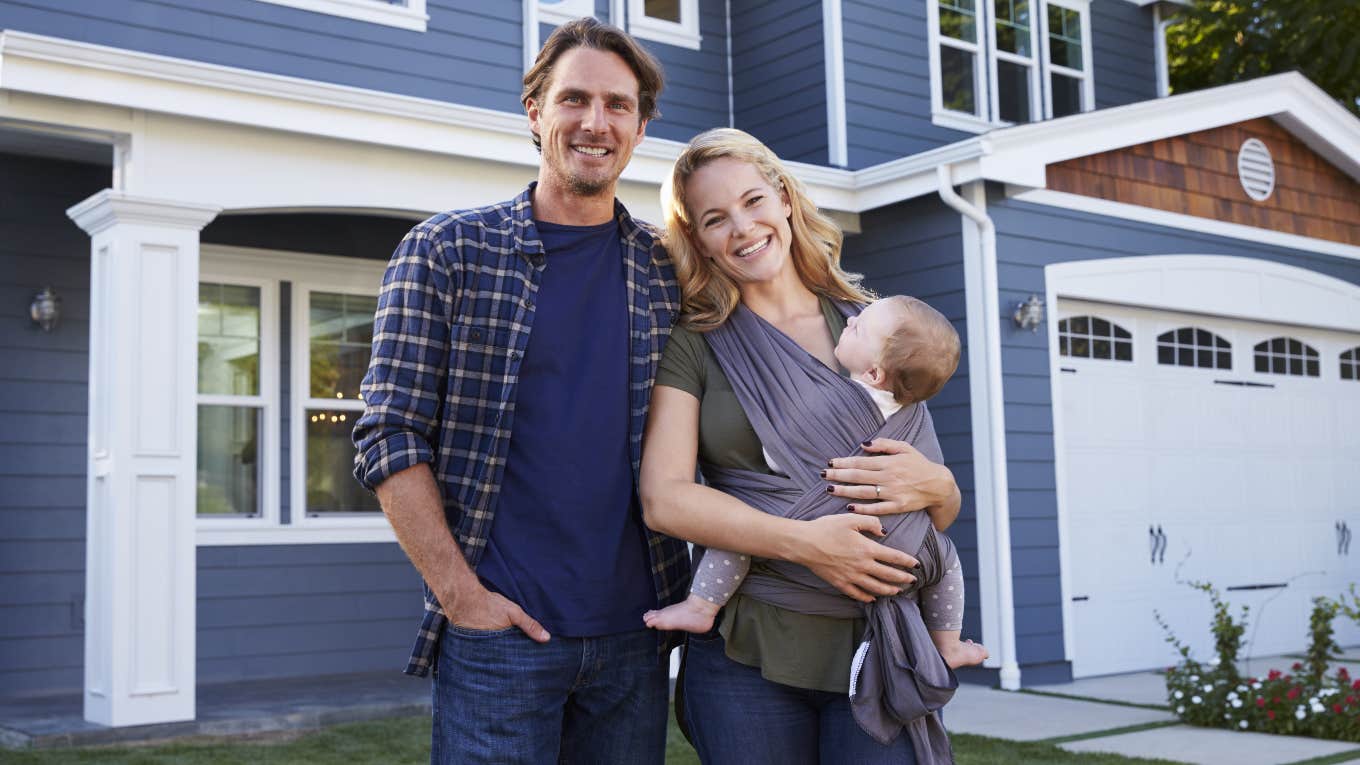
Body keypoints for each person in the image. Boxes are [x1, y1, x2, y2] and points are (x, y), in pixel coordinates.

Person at [351, 19, 690, 764]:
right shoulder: (447, 251)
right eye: (574, 99)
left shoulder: (668, 273)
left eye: (618, 105)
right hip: (499, 636)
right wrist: (460, 595)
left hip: (636, 638)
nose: (595, 123)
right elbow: (388, 432)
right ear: (534, 112)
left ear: (639, 126)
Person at [639, 128, 965, 764]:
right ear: (698, 240)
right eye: (714, 219)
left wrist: (944, 487)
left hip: (876, 645)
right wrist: (808, 544)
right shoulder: (695, 343)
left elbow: (928, 511)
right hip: (749, 649)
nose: (742, 228)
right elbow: (664, 500)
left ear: (785, 198)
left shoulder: (873, 327)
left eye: (754, 200)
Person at [643, 294, 988, 671]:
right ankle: (949, 644)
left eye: (859, 327)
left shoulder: (829, 400)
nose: (851, 321)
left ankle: (701, 605)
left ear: (873, 373)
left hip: (818, 524)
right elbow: (933, 498)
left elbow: (779, 452)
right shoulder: (911, 413)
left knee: (739, 529)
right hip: (902, 552)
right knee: (946, 560)